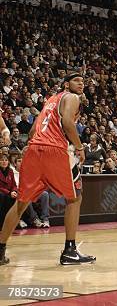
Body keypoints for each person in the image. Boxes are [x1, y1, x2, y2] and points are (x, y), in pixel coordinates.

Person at [0, 73, 95, 266]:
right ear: (66, 84)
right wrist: (79, 147)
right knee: (75, 196)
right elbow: (68, 123)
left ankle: (0, 250)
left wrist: (31, 146)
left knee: (21, 203)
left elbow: (35, 129)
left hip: (34, 150)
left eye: (83, 82)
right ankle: (69, 251)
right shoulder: (71, 97)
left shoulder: (51, 100)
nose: (81, 84)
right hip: (54, 151)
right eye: (77, 81)